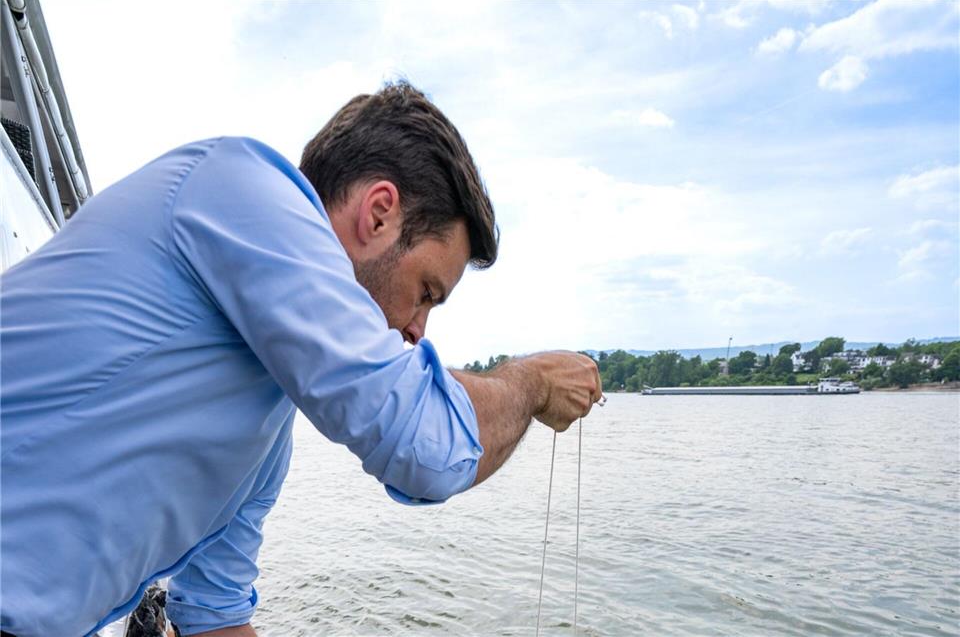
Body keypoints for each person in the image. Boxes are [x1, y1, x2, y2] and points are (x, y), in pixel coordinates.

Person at [0, 82, 602, 637]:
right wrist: (532, 383)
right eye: (426, 293)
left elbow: (215, 609)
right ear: (379, 212)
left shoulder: (263, 432)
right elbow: (423, 442)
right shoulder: (240, 187)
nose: (418, 331)